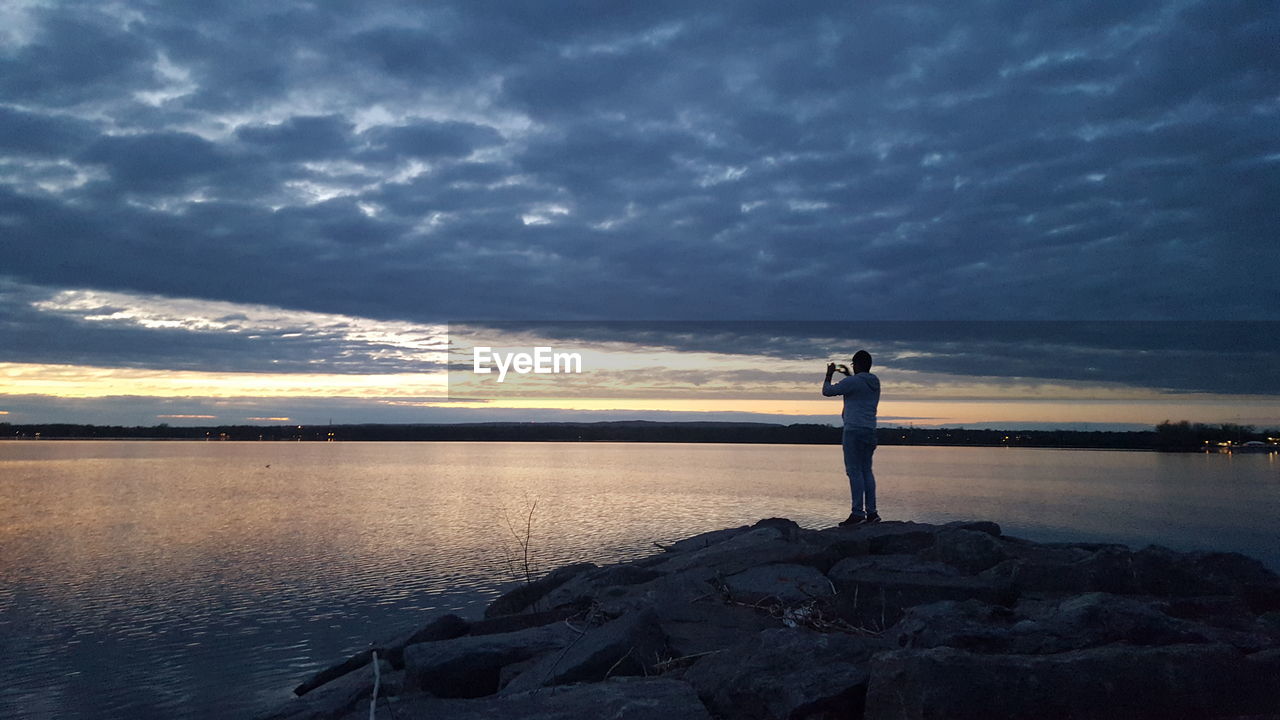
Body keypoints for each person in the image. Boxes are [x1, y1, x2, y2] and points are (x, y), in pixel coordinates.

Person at [822, 350, 881, 526]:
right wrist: (848, 374)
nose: (853, 368)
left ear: (858, 364)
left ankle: (857, 513)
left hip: (853, 430)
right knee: (866, 471)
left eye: (854, 365)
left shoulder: (853, 382)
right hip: (870, 430)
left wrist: (829, 374)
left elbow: (827, 391)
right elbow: (855, 385)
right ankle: (872, 513)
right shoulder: (874, 382)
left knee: (854, 471)